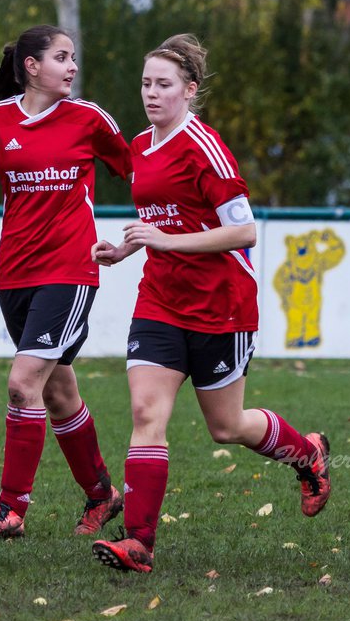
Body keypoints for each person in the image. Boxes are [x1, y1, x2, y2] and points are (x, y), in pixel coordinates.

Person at [89, 34, 330, 573]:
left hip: (222, 304)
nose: (152, 93)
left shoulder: (206, 147)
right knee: (147, 413)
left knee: (227, 427)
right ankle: (139, 544)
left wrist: (166, 241)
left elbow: (243, 232)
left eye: (164, 85)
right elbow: (165, 221)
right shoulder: (139, 147)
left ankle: (307, 454)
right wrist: (124, 250)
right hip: (160, 299)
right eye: (146, 83)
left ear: (189, 90)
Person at [0, 25, 132, 539]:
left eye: (73, 58)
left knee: (23, 383)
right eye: (62, 57)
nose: (71, 67)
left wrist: (161, 232)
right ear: (31, 65)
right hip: (14, 275)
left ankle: (10, 506)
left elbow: (144, 173)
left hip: (70, 271)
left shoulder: (90, 119)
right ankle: (102, 495)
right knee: (59, 392)